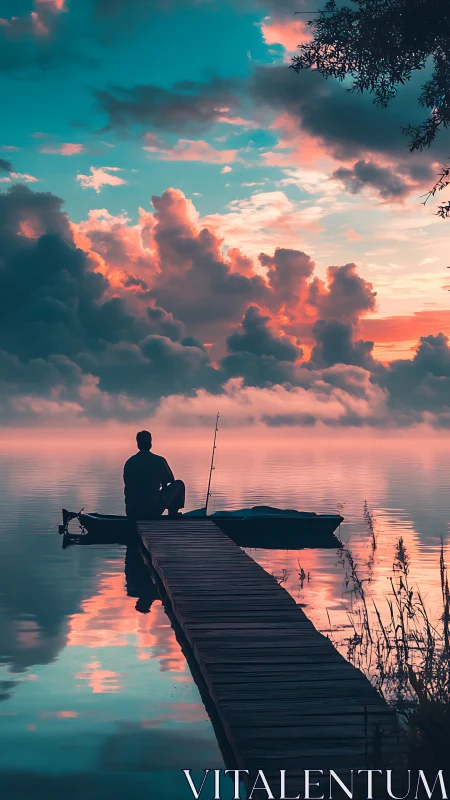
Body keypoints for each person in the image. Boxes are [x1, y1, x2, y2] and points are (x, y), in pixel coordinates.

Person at [123, 430, 185, 520]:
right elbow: (171, 481)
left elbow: (127, 483)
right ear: (150, 443)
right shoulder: (159, 461)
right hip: (152, 510)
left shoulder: (129, 462)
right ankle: (172, 514)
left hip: (131, 511)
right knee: (179, 484)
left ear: (138, 444)